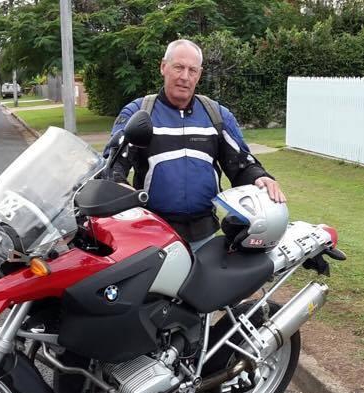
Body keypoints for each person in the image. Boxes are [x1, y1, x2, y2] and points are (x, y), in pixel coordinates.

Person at [107, 39, 285, 252]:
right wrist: (117, 184)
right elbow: (112, 164)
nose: (185, 76)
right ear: (163, 67)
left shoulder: (216, 114)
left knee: (210, 285)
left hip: (205, 234)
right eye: (178, 67)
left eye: (192, 70)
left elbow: (240, 164)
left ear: (199, 75)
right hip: (152, 234)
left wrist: (259, 176)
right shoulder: (138, 112)